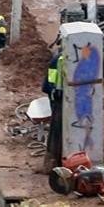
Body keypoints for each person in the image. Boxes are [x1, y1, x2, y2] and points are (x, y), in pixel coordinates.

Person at [42, 41, 65, 169]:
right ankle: (54, 161)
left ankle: (53, 160)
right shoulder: (60, 61)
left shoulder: (58, 58)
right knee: (58, 130)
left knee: (57, 130)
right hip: (57, 98)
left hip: (56, 96)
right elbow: (50, 83)